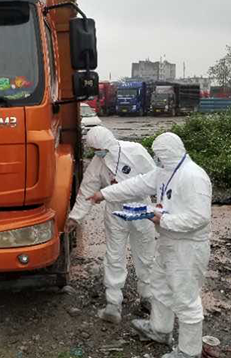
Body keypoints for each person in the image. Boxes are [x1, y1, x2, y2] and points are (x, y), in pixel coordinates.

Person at [87, 132, 212, 358]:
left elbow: (199, 218)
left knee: (186, 298)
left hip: (188, 247)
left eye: (159, 155)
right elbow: (137, 184)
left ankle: (189, 351)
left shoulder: (194, 177)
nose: (156, 159)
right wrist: (104, 194)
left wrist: (162, 219)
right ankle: (160, 329)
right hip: (168, 240)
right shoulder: (165, 172)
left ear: (168, 153)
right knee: (160, 285)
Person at [65, 126, 157, 324]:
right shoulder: (98, 163)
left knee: (146, 254)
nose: (98, 153)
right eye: (95, 150)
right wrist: (75, 217)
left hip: (140, 209)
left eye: (100, 149)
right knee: (114, 255)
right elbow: (87, 189)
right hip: (115, 212)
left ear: (108, 144)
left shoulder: (135, 151)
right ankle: (113, 303)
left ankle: (148, 296)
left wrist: (163, 206)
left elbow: (155, 178)